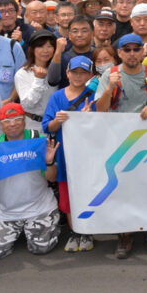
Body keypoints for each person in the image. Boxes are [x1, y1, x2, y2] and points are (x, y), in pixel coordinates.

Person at [95, 34, 147, 259]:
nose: (132, 53)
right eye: (127, 49)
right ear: (120, 53)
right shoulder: (109, 75)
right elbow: (100, 109)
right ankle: (124, 233)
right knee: (122, 187)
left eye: (136, 49)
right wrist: (110, 88)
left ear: (143, 52)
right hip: (119, 140)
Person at [0, 102, 61, 260]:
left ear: (24, 120)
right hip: (7, 211)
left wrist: (49, 162)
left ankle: (40, 227)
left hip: (39, 208)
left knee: (41, 248)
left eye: (17, 119)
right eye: (7, 121)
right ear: (1, 125)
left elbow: (52, 178)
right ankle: (18, 230)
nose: (13, 124)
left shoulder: (37, 139)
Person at [42, 55, 97, 253]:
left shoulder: (94, 96)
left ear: (90, 75)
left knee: (87, 192)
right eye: (74, 72)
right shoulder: (57, 97)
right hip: (65, 155)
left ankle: (87, 231)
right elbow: (47, 126)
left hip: (87, 156)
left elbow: (102, 127)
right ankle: (75, 231)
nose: (78, 76)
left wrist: (89, 119)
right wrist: (57, 121)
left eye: (83, 72)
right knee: (67, 195)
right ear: (67, 73)